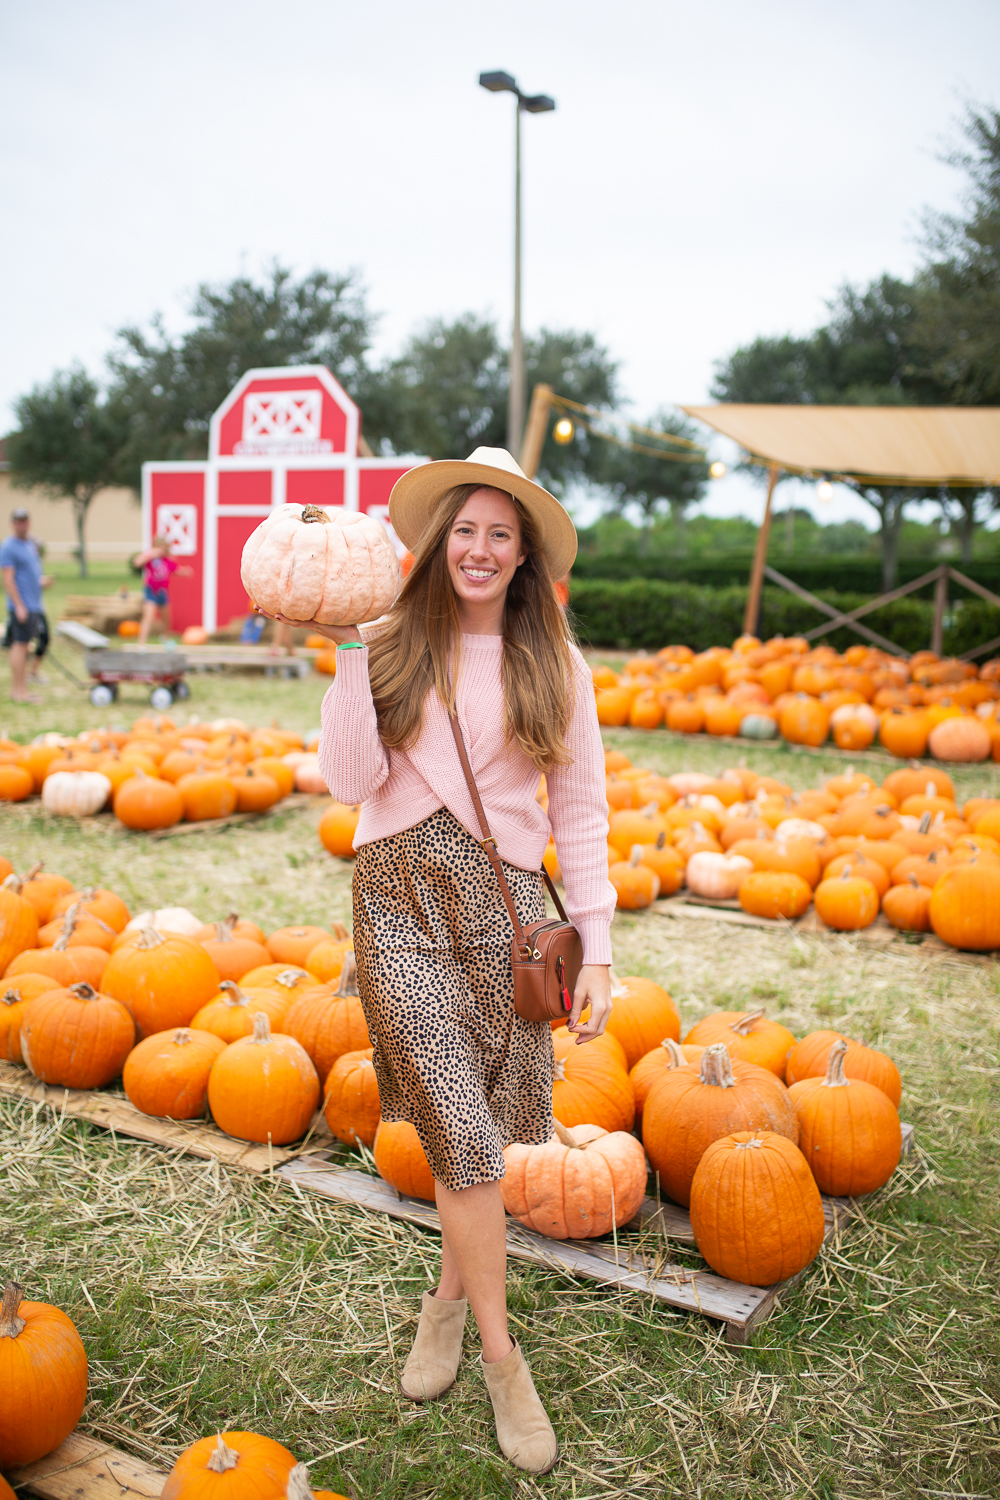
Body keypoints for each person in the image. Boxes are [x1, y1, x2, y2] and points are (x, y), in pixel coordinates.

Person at [296, 448, 614, 1476]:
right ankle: (501, 1357)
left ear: (523, 558)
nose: (479, 550)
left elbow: (581, 815)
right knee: (462, 1137)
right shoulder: (392, 643)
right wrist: (350, 654)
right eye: (465, 531)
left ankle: (443, 1299)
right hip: (396, 902)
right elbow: (347, 780)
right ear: (441, 543)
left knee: (474, 1136)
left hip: (508, 915)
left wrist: (598, 950)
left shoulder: (555, 666)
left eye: (500, 535)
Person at [1, 507, 53, 704]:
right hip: (22, 606)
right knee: (20, 646)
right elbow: (8, 579)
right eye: (18, 521)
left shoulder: (29, 544)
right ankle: (19, 691)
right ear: (12, 523)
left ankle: (22, 688)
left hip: (34, 604)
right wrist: (18, 605)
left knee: (24, 646)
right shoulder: (8, 547)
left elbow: (30, 574)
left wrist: (41, 583)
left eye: (24, 520)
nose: (21, 524)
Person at [132, 536, 190, 644]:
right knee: (148, 617)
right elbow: (137, 562)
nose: (161, 551)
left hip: (163, 591)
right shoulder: (150, 559)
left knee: (166, 619)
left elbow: (176, 569)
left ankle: (166, 639)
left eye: (164, 549)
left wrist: (185, 571)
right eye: (160, 549)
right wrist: (151, 554)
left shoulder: (167, 561)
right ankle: (141, 643)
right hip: (151, 590)